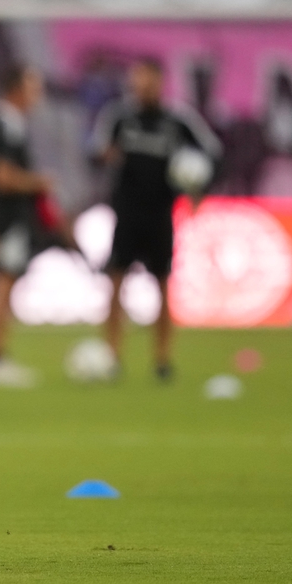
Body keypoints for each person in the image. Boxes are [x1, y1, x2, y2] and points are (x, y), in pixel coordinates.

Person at [93, 57, 222, 382]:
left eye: (149, 81)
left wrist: (199, 187)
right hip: (126, 210)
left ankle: (162, 360)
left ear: (160, 83)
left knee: (163, 284)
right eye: (138, 82)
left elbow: (213, 154)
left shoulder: (178, 120)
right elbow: (95, 152)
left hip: (161, 212)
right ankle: (112, 355)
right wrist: (103, 157)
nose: (143, 88)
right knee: (116, 281)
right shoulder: (119, 117)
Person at [0, 65, 53, 388]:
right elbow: (2, 176)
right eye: (32, 87)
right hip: (10, 217)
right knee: (3, 281)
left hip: (8, 217)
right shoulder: (5, 123)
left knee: (5, 281)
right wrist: (38, 182)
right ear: (16, 89)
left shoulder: (9, 122)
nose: (37, 95)